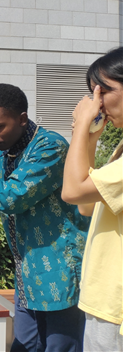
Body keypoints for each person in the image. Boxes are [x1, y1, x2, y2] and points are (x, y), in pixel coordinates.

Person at [0, 83, 90, 352]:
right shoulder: (3, 152)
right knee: (23, 347)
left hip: (58, 270)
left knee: (60, 347)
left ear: (22, 119)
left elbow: (11, 198)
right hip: (26, 273)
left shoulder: (50, 147)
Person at [62, 47, 123, 351]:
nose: (96, 103)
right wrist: (90, 138)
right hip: (104, 300)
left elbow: (71, 191)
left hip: (117, 306)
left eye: (103, 92)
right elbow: (85, 206)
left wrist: (81, 127)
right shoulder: (120, 149)